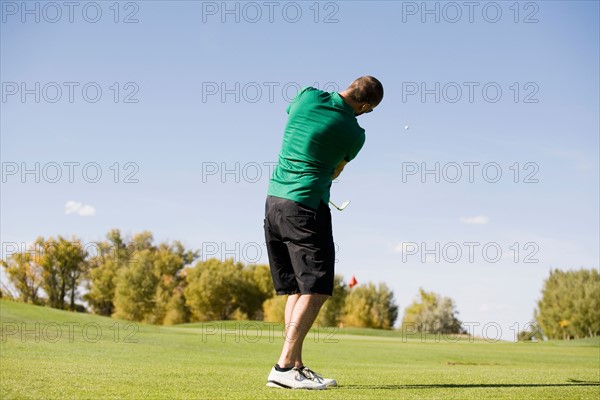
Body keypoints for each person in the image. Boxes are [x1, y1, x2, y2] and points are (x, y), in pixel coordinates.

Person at [263, 76, 384, 390]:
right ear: (366, 105)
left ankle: (296, 366)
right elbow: (335, 170)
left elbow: (293, 117)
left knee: (298, 289)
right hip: (305, 206)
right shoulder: (355, 133)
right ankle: (284, 366)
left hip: (274, 202)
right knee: (316, 288)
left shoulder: (307, 95)